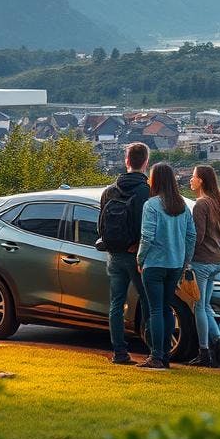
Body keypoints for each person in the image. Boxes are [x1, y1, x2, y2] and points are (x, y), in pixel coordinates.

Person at [136, 162, 196, 370]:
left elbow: (147, 237)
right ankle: (166, 355)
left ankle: (156, 356)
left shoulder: (151, 205)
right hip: (175, 264)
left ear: (156, 179)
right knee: (167, 309)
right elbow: (191, 236)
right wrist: (185, 261)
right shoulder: (182, 206)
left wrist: (140, 259)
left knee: (155, 310)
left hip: (154, 264)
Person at [96, 142, 151, 365]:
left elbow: (100, 226)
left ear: (126, 161)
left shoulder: (110, 191)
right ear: (146, 162)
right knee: (148, 303)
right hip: (138, 255)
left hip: (114, 255)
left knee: (116, 304)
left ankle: (119, 353)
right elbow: (148, 225)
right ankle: (153, 350)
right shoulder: (147, 191)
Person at [188, 164, 220, 367]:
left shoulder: (201, 205)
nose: (190, 180)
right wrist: (218, 234)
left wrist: (186, 259)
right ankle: (219, 342)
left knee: (199, 306)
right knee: (206, 305)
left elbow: (197, 237)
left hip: (201, 262)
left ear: (201, 180)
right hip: (218, 259)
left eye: (193, 177)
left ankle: (204, 351)